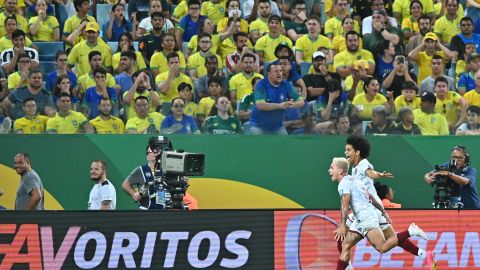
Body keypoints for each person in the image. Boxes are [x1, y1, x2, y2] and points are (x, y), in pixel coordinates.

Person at [329, 155, 431, 270]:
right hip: (366, 215)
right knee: (345, 245)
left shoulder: (343, 183)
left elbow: (345, 204)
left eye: (332, 168)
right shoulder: (355, 180)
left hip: (365, 217)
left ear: (340, 170)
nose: (329, 170)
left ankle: (410, 231)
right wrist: (384, 212)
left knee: (382, 247)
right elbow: (372, 198)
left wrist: (343, 225)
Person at [249, 63, 304, 135]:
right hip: (258, 126)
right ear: (269, 73)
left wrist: (291, 104)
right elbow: (260, 105)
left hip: (277, 127)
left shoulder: (286, 85)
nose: (279, 73)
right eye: (276, 71)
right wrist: (281, 106)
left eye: (280, 71)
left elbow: (301, 101)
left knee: (286, 143)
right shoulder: (261, 85)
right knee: (258, 138)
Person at [122, 139, 172, 209]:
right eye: (152, 151)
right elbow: (125, 185)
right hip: (146, 211)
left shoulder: (168, 170)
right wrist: (134, 194)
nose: (155, 153)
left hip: (165, 211)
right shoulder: (141, 170)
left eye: (157, 151)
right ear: (147, 156)